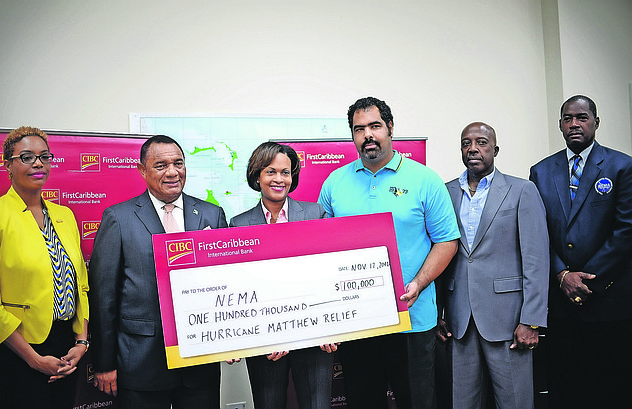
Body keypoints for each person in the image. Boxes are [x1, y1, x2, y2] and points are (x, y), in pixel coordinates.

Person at [317, 97, 460, 409]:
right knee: (362, 401)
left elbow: (447, 241)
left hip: (412, 318)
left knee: (416, 401)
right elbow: (323, 248)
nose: (368, 134)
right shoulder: (334, 183)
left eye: (375, 126)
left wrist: (420, 283)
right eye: (359, 129)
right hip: (357, 320)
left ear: (390, 128)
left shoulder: (425, 180)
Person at [89, 135, 228, 409]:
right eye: (161, 165)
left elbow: (226, 283)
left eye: (178, 163)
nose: (173, 172)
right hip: (141, 361)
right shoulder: (119, 218)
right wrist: (104, 363)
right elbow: (104, 298)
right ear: (143, 170)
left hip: (199, 362)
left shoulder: (212, 215)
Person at [0, 126, 90, 409]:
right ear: (7, 163)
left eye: (44, 157)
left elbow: (81, 285)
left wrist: (80, 343)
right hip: (15, 350)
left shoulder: (64, 215)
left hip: (65, 347)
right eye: (26, 157)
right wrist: (33, 359)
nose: (38, 164)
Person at [436, 122, 549, 409]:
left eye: (481, 142)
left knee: (515, 402)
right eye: (466, 143)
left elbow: (536, 260)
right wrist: (439, 311)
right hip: (459, 319)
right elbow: (441, 254)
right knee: (462, 402)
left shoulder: (522, 190)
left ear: (495, 149)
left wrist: (531, 320)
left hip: (509, 320)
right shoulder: (445, 192)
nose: (473, 148)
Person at [529, 95, 632, 409]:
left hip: (607, 300)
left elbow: (625, 231)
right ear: (560, 124)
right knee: (566, 387)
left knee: (612, 388)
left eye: (582, 117)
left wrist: (586, 281)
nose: (574, 124)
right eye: (567, 118)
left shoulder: (622, 166)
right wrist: (561, 275)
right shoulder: (541, 171)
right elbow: (537, 233)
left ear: (596, 122)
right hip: (560, 306)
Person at [228, 142, 336, 409]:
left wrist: (332, 328)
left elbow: (329, 273)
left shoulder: (315, 214)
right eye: (270, 171)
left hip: (315, 339)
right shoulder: (239, 224)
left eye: (285, 172)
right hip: (266, 345)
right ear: (257, 176)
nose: (279, 179)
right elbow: (238, 286)